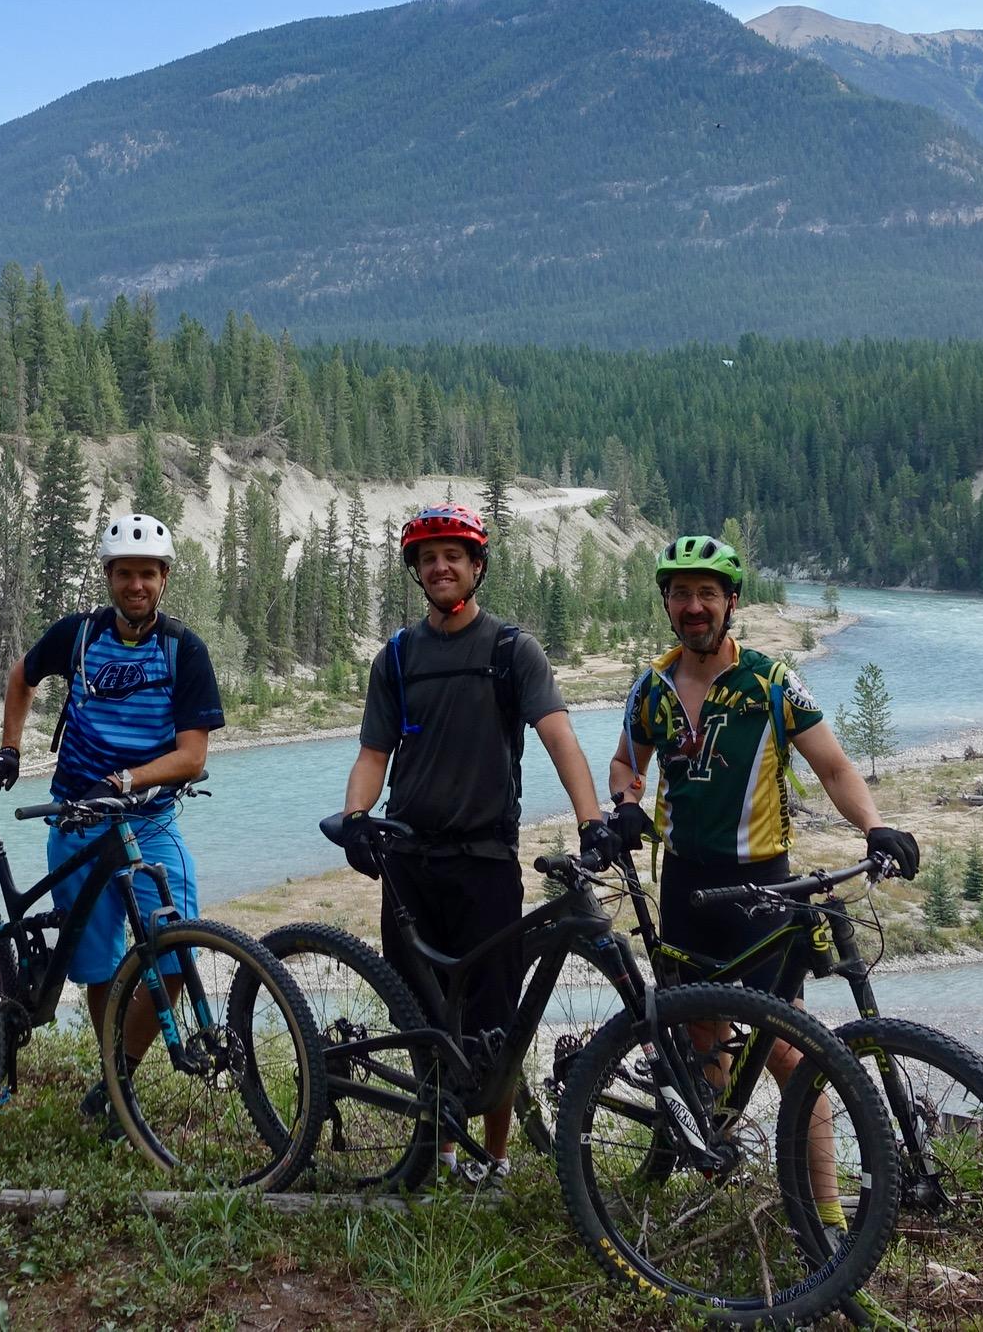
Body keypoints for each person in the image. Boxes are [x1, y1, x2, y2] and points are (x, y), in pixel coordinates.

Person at [608, 533, 920, 1225]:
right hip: (684, 885)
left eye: (707, 595)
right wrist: (627, 805)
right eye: (682, 594)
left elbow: (833, 767)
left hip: (762, 890)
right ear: (667, 602)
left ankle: (827, 1212)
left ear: (731, 604)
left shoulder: (771, 682)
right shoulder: (651, 686)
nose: (694, 607)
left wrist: (874, 826)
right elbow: (625, 763)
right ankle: (715, 1173)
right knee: (701, 1039)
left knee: (791, 1049)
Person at [338, 503, 610, 1184]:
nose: (440, 567)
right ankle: (441, 1154)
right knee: (423, 1014)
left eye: (453, 555)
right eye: (428, 558)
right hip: (408, 862)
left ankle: (495, 1159)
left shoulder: (510, 651)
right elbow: (375, 753)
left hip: (485, 861)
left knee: (496, 1020)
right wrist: (354, 816)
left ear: (477, 566)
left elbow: (557, 735)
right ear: (417, 572)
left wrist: (590, 820)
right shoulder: (398, 657)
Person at [0, 513, 225, 1133]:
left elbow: (193, 756)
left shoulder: (183, 649)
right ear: (108, 577)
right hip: (76, 821)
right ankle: (115, 1085)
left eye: (147, 574)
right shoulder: (79, 635)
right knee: (98, 967)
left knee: (176, 951)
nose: (136, 585)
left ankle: (121, 1064)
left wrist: (125, 781)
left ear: (165, 579)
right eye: (125, 573)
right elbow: (22, 675)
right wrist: (12, 748)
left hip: (147, 823)